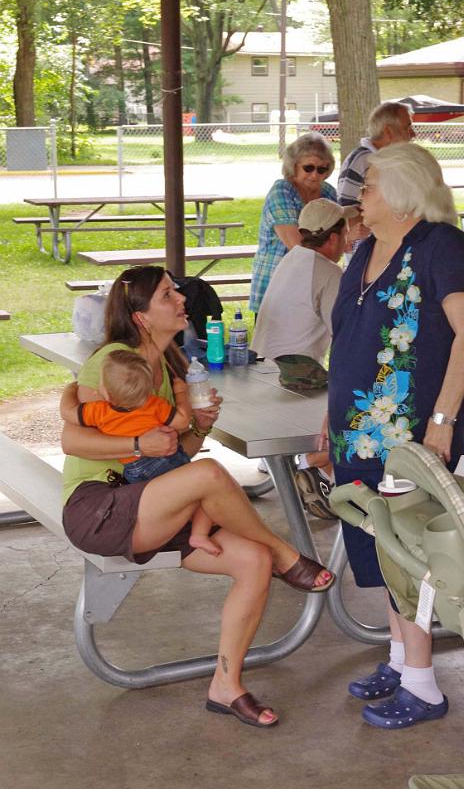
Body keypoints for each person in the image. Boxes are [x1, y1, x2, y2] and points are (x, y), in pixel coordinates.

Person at [61, 265, 336, 729]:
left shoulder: (171, 368)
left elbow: (174, 456)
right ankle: (286, 552)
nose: (183, 300)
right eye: (169, 295)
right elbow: (73, 441)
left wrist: (200, 428)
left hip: (154, 504)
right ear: (142, 316)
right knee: (212, 475)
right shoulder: (112, 361)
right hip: (101, 506)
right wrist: (135, 446)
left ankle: (226, 686)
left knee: (251, 560)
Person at [324, 142, 464, 729]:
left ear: (401, 192)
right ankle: (399, 659)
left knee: (410, 554)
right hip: (355, 434)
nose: (358, 195)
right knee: (378, 551)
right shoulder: (367, 247)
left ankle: (424, 686)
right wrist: (330, 415)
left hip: (413, 437)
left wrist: (442, 421)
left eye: (367, 186)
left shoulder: (445, 246)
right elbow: (345, 339)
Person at [252, 198, 359, 519]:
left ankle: (303, 464)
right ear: (332, 238)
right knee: (357, 397)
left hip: (263, 366)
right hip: (297, 372)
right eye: (345, 232)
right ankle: (315, 466)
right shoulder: (329, 272)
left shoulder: (292, 257)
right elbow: (344, 335)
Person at [60, 349, 221, 558]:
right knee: (202, 492)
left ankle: (198, 531)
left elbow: (68, 412)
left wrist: (69, 390)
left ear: (106, 393)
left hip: (135, 473)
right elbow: (182, 420)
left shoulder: (99, 411)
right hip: (165, 462)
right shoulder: (153, 405)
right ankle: (200, 533)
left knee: (199, 491)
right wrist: (182, 393)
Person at [249, 131, 337, 314]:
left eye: (322, 169)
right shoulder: (281, 191)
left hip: (312, 285)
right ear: (294, 165)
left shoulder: (328, 192)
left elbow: (339, 236)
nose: (315, 175)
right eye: (308, 168)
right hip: (276, 285)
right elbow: (296, 245)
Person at [337, 101, 415, 263]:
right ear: (388, 131)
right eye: (407, 127)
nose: (413, 134)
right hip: (368, 254)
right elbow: (346, 211)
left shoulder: (391, 160)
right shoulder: (362, 160)